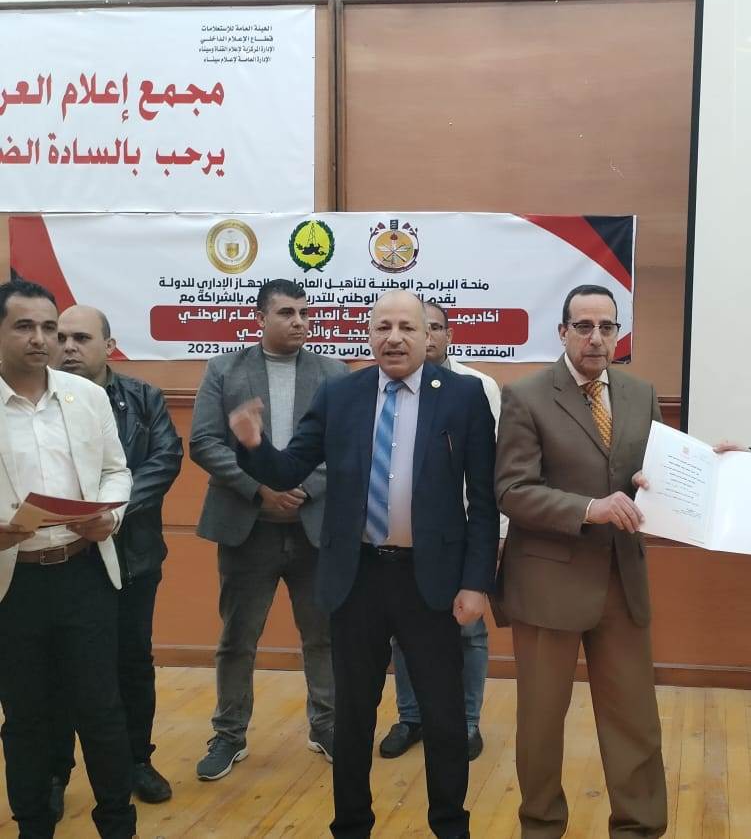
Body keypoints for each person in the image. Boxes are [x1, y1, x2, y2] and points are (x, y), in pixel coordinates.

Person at [229, 289, 498, 839]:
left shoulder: (463, 395)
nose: (394, 338)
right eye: (382, 327)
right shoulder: (341, 394)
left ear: (428, 335)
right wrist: (254, 445)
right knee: (353, 718)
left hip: (432, 580)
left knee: (445, 717)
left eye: (407, 327)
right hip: (358, 578)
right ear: (368, 334)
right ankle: (351, 826)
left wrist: (476, 582)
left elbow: (483, 498)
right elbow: (289, 469)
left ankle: (450, 826)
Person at [494, 284, 667, 838]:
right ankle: (541, 827)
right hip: (548, 584)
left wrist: (712, 466)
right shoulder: (526, 396)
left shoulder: (641, 393)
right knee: (541, 725)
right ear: (563, 332)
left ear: (619, 334)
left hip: (622, 580)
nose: (596, 338)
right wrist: (589, 509)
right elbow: (512, 491)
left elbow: (658, 473)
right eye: (584, 326)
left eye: (607, 327)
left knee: (635, 721)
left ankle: (639, 829)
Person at [189, 278, 348, 780]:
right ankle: (229, 734)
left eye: (305, 313)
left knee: (322, 636)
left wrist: (305, 487)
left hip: (313, 529)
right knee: (238, 638)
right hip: (248, 528)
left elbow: (346, 444)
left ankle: (327, 726)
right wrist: (259, 488)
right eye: (286, 313)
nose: (299, 322)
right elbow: (204, 442)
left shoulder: (333, 372)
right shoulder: (224, 369)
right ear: (260, 318)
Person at [0, 280, 137, 838]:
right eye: (24, 326)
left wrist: (111, 516)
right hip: (13, 584)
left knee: (102, 711)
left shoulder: (87, 398)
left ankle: (118, 825)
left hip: (84, 572)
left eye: (48, 328)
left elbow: (116, 471)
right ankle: (33, 825)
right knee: (26, 717)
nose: (41, 339)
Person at [51, 305, 183, 815]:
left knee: (131, 663)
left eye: (81, 338)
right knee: (58, 668)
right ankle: (54, 773)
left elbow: (165, 460)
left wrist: (111, 511)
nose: (68, 347)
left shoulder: (143, 397)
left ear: (108, 346)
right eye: (61, 337)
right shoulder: (38, 398)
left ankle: (136, 761)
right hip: (61, 557)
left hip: (132, 555)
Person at [378, 300, 502, 762]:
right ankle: (411, 717)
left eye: (433, 328)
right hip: (404, 541)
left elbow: (490, 473)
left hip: (462, 535)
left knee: (468, 631)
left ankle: (467, 721)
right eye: (419, 327)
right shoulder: (385, 388)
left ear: (448, 336)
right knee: (401, 632)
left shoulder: (476, 387)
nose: (425, 336)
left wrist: (494, 538)